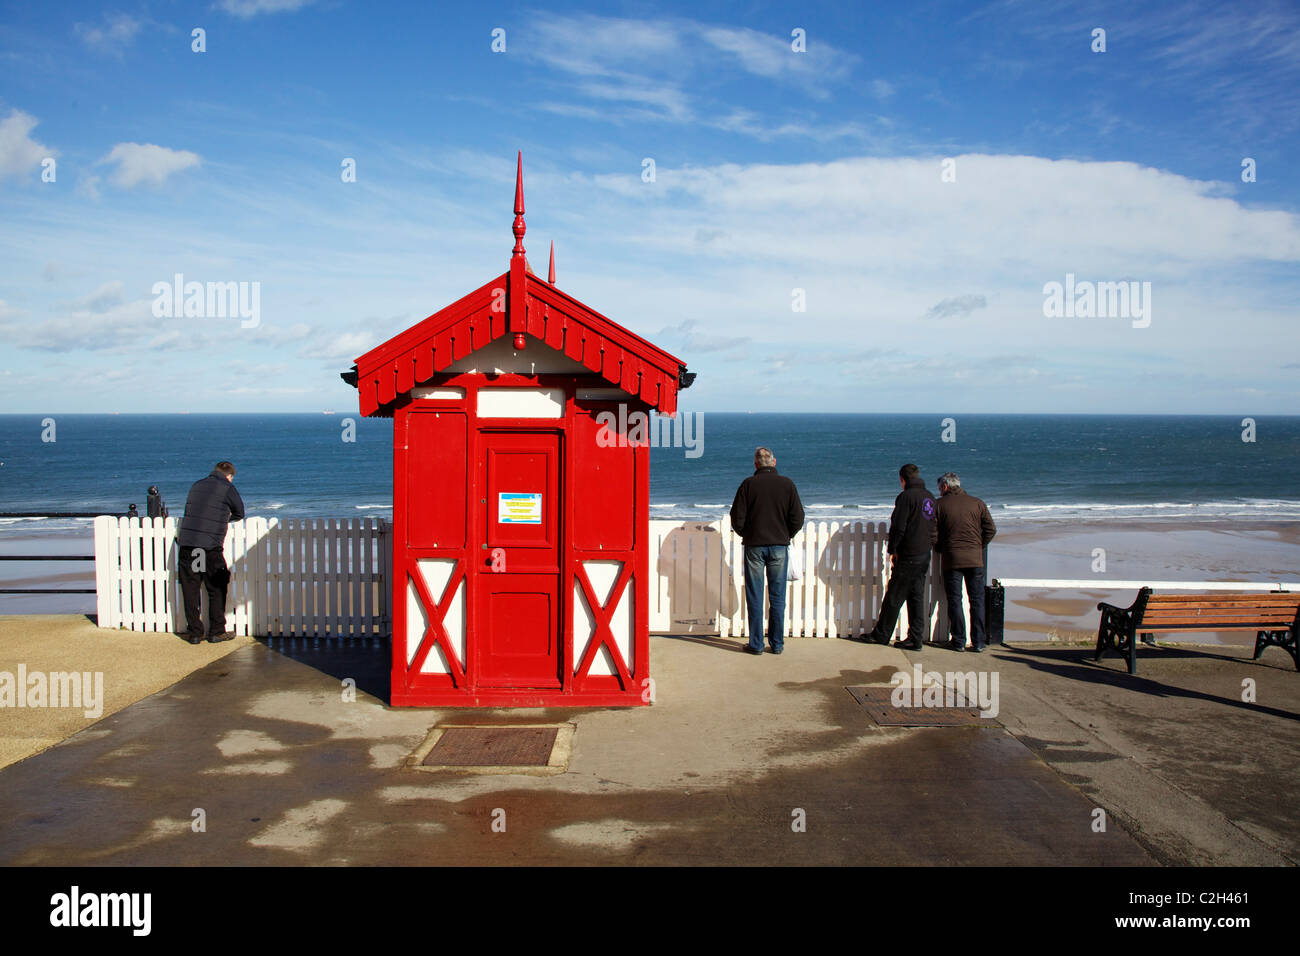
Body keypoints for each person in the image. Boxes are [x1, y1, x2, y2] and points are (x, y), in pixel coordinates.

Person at [730, 447, 805, 655]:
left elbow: (736, 516)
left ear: (756, 464)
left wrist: (747, 533)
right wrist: (785, 534)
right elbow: (798, 517)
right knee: (777, 596)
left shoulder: (748, 485)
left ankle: (756, 644)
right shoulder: (787, 484)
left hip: (754, 546)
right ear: (773, 462)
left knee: (755, 595)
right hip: (779, 546)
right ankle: (777, 643)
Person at [861, 463, 938, 651]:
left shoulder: (906, 497)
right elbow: (933, 525)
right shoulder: (929, 497)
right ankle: (915, 637)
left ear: (902, 479)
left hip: (909, 553)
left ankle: (881, 635)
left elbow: (899, 526)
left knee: (894, 596)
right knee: (916, 596)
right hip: (923, 553)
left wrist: (893, 549)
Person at [177, 461, 245, 644]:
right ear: (229, 476)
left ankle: (195, 633)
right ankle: (216, 631)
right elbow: (240, 512)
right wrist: (226, 517)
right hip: (209, 548)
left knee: (191, 589)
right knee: (216, 587)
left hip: (189, 546)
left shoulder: (197, 485)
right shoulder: (226, 488)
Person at [935, 472, 997, 652]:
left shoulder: (939, 505)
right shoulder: (977, 503)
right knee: (977, 601)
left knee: (955, 600)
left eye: (939, 488)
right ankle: (978, 642)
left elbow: (933, 532)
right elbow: (990, 529)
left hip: (952, 558)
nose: (939, 492)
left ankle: (959, 640)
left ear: (945, 487)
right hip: (975, 559)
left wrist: (940, 547)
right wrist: (979, 545)